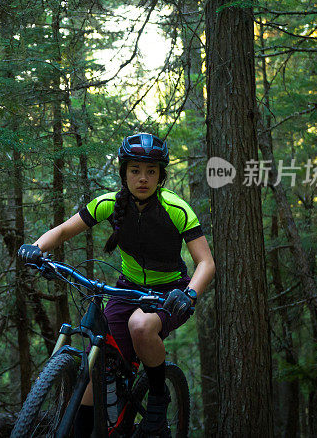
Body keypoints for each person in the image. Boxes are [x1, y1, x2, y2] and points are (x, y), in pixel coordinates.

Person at [17, 132, 216, 438]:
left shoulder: (176, 209)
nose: (143, 178)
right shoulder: (108, 204)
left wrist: (189, 294)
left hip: (169, 293)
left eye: (151, 171)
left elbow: (206, 263)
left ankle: (158, 398)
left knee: (140, 326)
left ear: (161, 176)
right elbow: (62, 231)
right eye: (135, 170)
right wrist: (36, 249)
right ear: (124, 172)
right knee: (95, 373)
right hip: (125, 289)